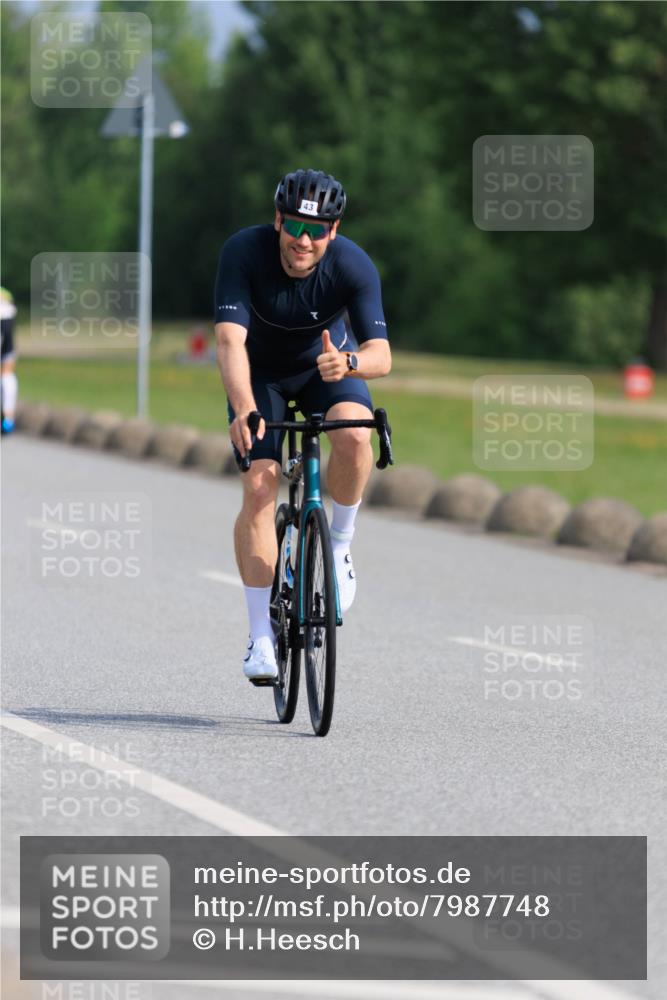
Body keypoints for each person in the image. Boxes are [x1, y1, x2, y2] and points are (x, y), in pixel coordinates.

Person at [214, 168, 392, 683]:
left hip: (326, 366)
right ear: (278, 220)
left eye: (317, 230)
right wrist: (245, 406)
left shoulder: (353, 264)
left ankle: (338, 546)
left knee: (357, 432)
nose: (304, 240)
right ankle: (261, 639)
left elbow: (381, 353)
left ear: (334, 231)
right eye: (294, 226)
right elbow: (228, 342)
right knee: (260, 484)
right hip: (260, 374)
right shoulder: (243, 253)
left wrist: (351, 365)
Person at [1, 286, 19, 434]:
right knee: (7, 372)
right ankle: (8, 417)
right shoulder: (5, 293)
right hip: (8, 320)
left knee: (6, 372)